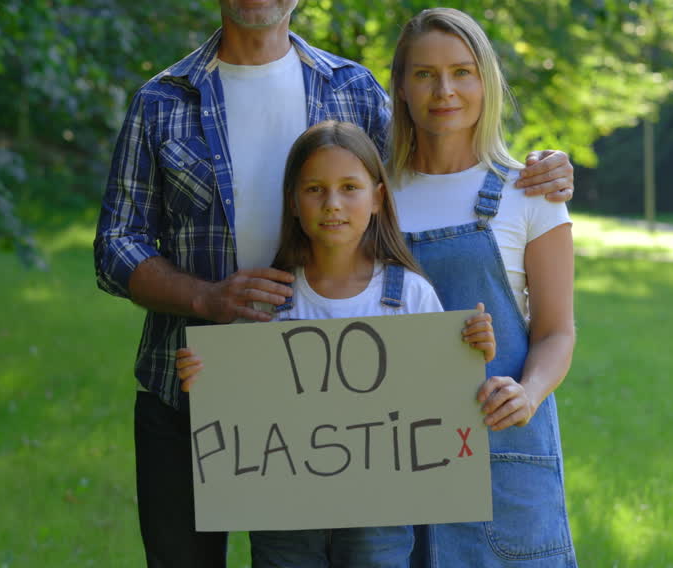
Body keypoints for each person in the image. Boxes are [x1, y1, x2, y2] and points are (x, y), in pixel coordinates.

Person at [93, 0, 574, 568]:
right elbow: (115, 246)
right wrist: (207, 299)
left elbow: (433, 164)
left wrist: (538, 166)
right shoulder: (163, 100)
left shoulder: (350, 89)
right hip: (190, 388)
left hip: (344, 413)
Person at [175, 120, 496, 567]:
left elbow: (440, 398)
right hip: (282, 512)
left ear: (378, 198)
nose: (332, 204)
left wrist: (470, 350)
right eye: (315, 190)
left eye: (349, 187)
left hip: (380, 514)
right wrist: (206, 379)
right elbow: (241, 405)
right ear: (293, 202)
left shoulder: (410, 295)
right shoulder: (270, 302)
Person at [388, 8, 578, 567]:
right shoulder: (371, 196)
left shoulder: (531, 193)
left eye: (462, 72)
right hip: (397, 455)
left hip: (503, 450)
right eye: (424, 74)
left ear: (486, 80)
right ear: (400, 87)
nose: (444, 90)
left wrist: (530, 391)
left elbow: (557, 332)